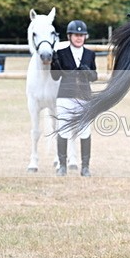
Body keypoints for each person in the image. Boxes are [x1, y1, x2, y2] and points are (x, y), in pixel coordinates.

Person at [51, 19, 97, 176]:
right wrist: (54, 64)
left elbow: (94, 76)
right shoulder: (61, 54)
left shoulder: (90, 54)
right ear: (69, 36)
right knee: (63, 130)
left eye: (81, 35)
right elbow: (55, 77)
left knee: (84, 130)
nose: (79, 38)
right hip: (65, 96)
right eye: (76, 35)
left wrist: (88, 72)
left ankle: (85, 167)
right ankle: (62, 165)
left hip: (84, 97)